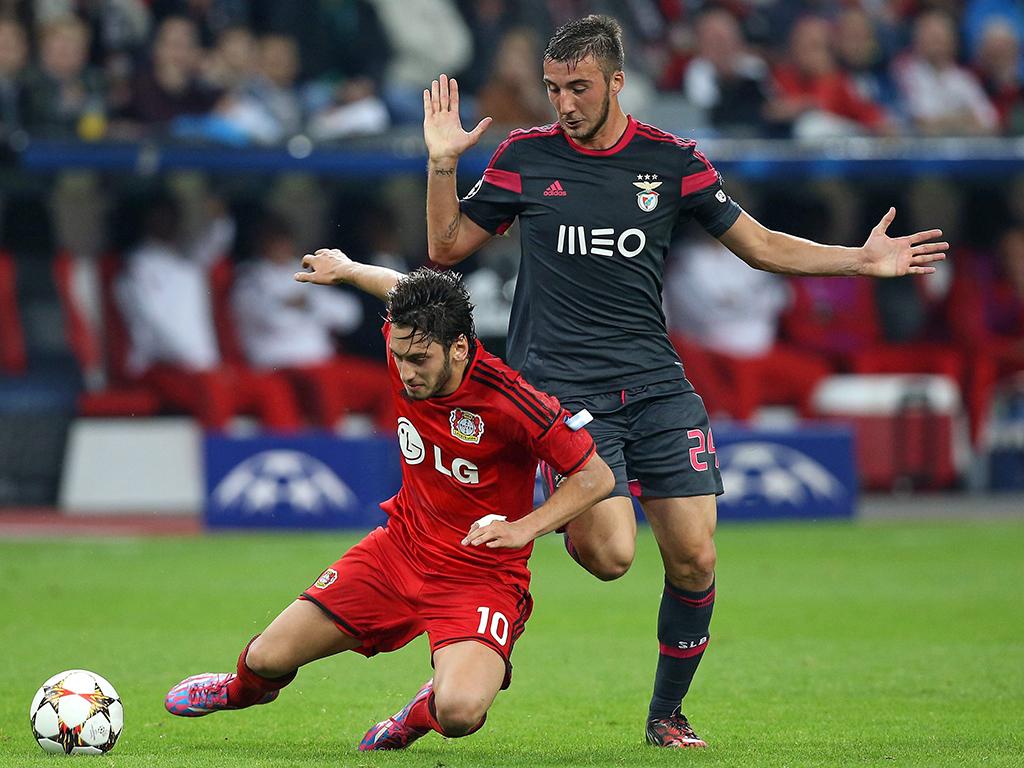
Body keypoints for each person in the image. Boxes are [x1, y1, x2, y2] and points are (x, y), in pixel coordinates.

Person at [421, 14, 948, 749]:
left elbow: (759, 246)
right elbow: (443, 248)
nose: (563, 104)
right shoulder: (522, 157)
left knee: (696, 557)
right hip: (564, 393)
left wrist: (859, 260)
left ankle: (667, 715)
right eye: (551, 89)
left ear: (615, 82)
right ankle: (550, 533)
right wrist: (443, 163)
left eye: (577, 88)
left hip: (657, 385)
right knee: (609, 557)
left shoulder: (673, 162)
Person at [164, 254, 614, 751]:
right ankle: (237, 691)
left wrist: (524, 528)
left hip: (479, 576)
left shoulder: (513, 401)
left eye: (419, 360)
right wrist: (349, 268)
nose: (405, 371)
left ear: (460, 347)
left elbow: (595, 477)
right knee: (267, 659)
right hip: (398, 550)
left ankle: (420, 711)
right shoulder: (413, 335)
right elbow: (400, 288)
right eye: (398, 356)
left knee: (460, 711)